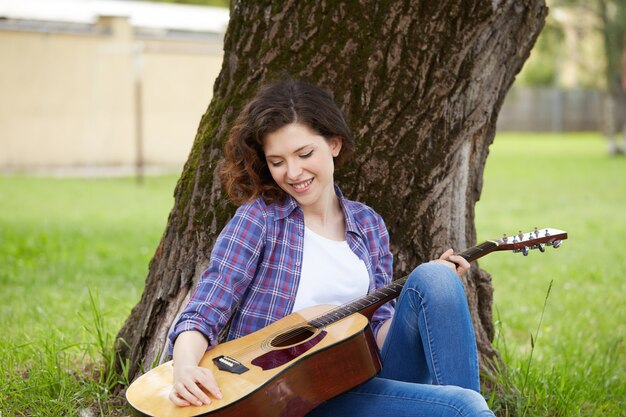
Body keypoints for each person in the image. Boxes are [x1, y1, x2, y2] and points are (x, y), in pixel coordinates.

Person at [167, 79, 495, 416]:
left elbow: (380, 327)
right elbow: (206, 307)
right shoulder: (260, 220)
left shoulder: (368, 225)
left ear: (334, 144)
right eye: (277, 161)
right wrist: (184, 367)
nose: (294, 172)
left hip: (357, 387)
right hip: (282, 398)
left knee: (436, 279)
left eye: (305, 154)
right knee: (462, 408)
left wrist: (426, 301)